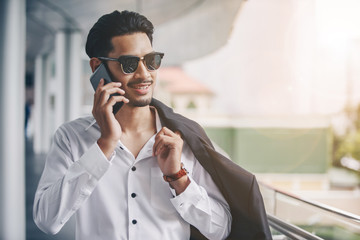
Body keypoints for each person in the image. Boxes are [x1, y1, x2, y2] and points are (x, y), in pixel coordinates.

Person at [33, 10, 272, 240]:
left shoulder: (184, 138)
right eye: (128, 63)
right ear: (97, 67)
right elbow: (46, 220)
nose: (144, 74)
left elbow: (220, 229)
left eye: (151, 60)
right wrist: (104, 146)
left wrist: (178, 177)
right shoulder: (71, 137)